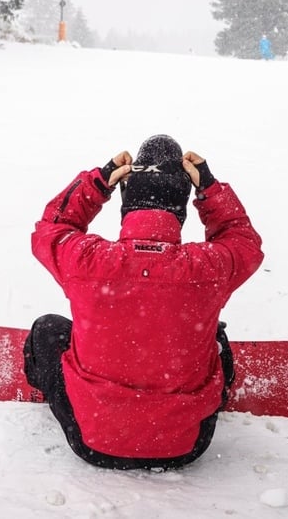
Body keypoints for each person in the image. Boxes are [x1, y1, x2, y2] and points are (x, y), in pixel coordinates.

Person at [25, 135, 264, 470]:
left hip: (91, 439)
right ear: (180, 208)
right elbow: (243, 240)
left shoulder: (87, 260)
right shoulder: (208, 267)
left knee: (48, 329)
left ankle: (57, 384)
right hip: (186, 445)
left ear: (127, 201)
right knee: (214, 336)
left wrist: (98, 182)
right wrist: (210, 188)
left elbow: (51, 228)